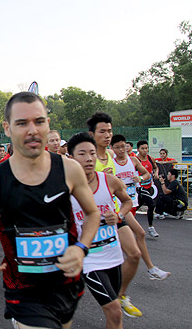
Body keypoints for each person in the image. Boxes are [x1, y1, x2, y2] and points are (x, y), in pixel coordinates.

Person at [0, 92, 100, 329]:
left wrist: (81, 248)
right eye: (22, 123)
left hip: (66, 282)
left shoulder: (69, 170)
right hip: (24, 288)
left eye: (39, 121)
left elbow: (93, 213)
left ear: (48, 124)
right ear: (7, 128)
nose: (32, 130)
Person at [88, 113, 170, 318]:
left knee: (134, 253)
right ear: (92, 134)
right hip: (90, 218)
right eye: (102, 131)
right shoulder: (86, 159)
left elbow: (123, 194)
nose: (107, 135)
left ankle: (122, 295)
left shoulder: (113, 159)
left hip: (114, 213)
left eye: (110, 131)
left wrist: (120, 210)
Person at [68, 132, 131, 329]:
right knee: (114, 309)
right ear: (71, 158)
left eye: (92, 153)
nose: (88, 158)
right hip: (89, 260)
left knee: (115, 315)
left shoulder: (109, 181)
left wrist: (119, 215)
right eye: (82, 154)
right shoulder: (64, 188)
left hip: (113, 254)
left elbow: (127, 201)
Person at [110, 135, 157, 237]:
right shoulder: (111, 163)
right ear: (112, 148)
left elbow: (147, 174)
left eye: (123, 146)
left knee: (130, 231)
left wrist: (140, 178)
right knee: (132, 231)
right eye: (117, 147)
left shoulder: (133, 160)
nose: (121, 150)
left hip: (132, 200)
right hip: (119, 203)